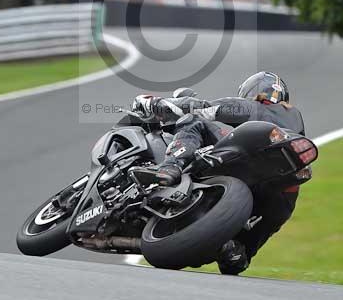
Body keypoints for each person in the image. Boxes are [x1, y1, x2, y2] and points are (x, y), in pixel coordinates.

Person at [129, 71, 306, 275]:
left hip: (261, 166)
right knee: (244, 251)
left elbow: (206, 108)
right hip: (285, 192)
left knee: (194, 119)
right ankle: (235, 252)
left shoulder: (259, 107)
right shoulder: (295, 119)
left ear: (253, 92)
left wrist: (158, 104)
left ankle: (171, 165)